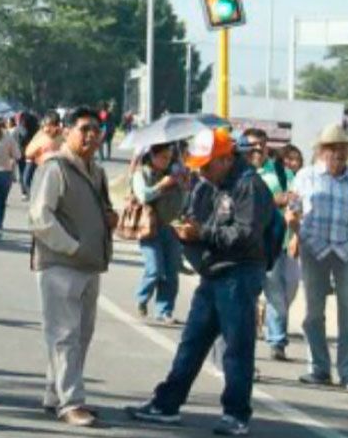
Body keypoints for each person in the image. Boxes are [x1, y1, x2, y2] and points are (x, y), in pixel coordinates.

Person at [127, 127, 276, 436]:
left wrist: (202, 232)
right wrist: (189, 229)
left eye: (207, 165)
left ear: (225, 159)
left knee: (237, 347)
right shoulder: (210, 185)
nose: (202, 171)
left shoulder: (249, 186)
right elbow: (200, 218)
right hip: (214, 272)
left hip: (239, 273)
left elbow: (245, 235)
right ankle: (167, 404)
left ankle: (236, 414)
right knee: (192, 343)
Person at [28, 107, 117, 427]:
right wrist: (73, 246)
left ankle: (55, 395)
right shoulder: (55, 167)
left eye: (96, 129)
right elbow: (40, 217)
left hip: (90, 264)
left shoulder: (96, 171)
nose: (91, 135)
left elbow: (100, 208)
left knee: (80, 335)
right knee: (64, 335)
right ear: (66, 132)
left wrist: (109, 219)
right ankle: (71, 402)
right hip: (61, 264)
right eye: (84, 129)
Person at [288, 124, 348, 393]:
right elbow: (293, 211)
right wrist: (297, 235)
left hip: (347, 251)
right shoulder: (306, 177)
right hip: (314, 249)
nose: (339, 153)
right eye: (333, 148)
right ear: (322, 151)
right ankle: (319, 369)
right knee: (313, 312)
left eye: (343, 148)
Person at [240, 129, 299, 362]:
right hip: (245, 244)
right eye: (252, 145)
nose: (257, 150)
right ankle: (247, 344)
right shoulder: (237, 172)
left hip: (274, 242)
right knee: (247, 297)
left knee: (277, 295)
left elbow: (295, 200)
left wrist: (296, 233)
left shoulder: (281, 173)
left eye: (261, 145)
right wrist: (275, 200)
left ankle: (276, 342)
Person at [132, 142, 186, 323]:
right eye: (163, 157)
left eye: (169, 157)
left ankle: (164, 311)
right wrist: (162, 186)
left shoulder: (173, 174)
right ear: (152, 156)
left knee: (171, 272)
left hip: (171, 228)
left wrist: (183, 185)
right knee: (154, 268)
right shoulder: (141, 174)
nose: (167, 161)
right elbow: (143, 196)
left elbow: (182, 200)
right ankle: (142, 298)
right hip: (150, 228)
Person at [24, 112, 64, 184]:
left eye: (49, 126)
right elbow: (28, 153)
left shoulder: (63, 136)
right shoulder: (41, 135)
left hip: (59, 172)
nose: (46, 129)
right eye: (45, 126)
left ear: (57, 126)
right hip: (43, 171)